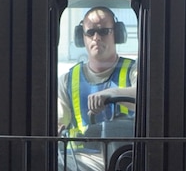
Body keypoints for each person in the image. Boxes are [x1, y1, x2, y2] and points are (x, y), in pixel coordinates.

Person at [59, 7, 138, 140]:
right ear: (81, 37)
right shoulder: (67, 80)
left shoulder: (134, 70)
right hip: (79, 158)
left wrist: (110, 93)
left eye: (103, 31)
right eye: (90, 32)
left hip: (125, 156)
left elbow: (148, 99)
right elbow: (58, 119)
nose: (96, 38)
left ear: (117, 34)